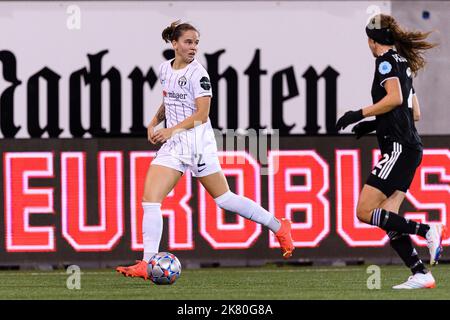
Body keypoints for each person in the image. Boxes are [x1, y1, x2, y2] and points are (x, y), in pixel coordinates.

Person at [116, 20, 294, 280]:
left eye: (196, 43)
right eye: (188, 42)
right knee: (150, 200)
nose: (193, 47)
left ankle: (278, 226)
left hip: (197, 143)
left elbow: (202, 114)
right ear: (174, 44)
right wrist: (155, 121)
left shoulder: (198, 74)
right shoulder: (165, 69)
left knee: (224, 199)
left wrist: (170, 130)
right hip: (175, 145)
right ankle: (147, 262)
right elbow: (169, 99)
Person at [336, 14, 445, 289]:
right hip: (411, 147)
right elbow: (414, 112)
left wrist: (357, 114)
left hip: (397, 148)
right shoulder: (403, 63)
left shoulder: (384, 62)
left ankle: (426, 230)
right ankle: (421, 272)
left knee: (363, 211)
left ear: (372, 42)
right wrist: (374, 124)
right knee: (389, 217)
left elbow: (394, 98)